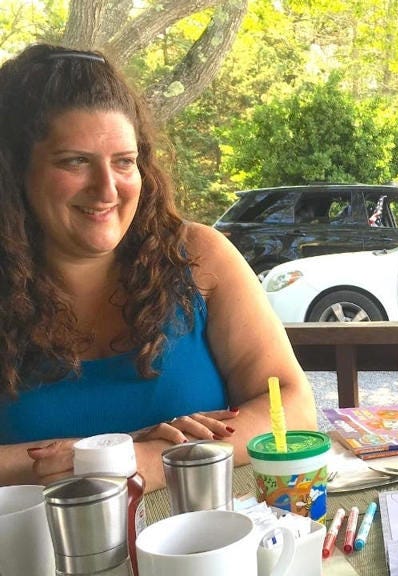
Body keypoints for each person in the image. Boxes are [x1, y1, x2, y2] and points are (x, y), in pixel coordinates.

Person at [0, 44, 317, 491]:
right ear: (15, 173)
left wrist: (150, 458)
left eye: (124, 162)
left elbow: (293, 404)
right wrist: (108, 454)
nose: (106, 188)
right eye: (75, 161)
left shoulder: (199, 256)